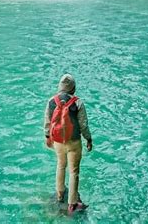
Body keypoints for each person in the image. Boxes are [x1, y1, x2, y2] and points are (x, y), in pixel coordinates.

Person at [44, 73, 93, 214]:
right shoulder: (78, 103)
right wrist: (88, 139)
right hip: (74, 142)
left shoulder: (51, 101)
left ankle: (60, 194)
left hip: (58, 141)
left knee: (61, 165)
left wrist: (48, 136)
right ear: (73, 88)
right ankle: (72, 204)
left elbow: (47, 122)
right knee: (74, 171)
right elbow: (83, 125)